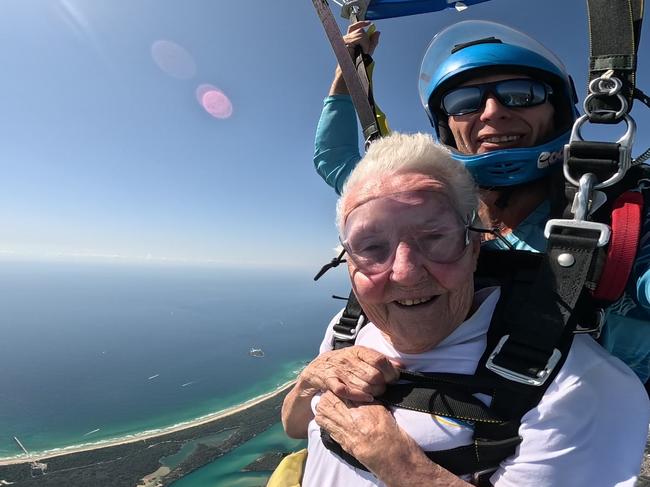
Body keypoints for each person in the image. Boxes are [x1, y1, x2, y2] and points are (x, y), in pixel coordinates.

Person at [283, 132, 649, 486]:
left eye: (435, 237)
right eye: (372, 246)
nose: (406, 273)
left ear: (474, 246)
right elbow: (294, 425)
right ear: (347, 261)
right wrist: (309, 381)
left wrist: (397, 463)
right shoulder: (347, 328)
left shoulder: (572, 384)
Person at [313, 19, 650, 387]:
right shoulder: (429, 202)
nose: (491, 112)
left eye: (521, 93)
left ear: (557, 109)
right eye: (464, 102)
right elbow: (335, 161)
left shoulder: (612, 210)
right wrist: (347, 70)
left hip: (589, 419)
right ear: (447, 127)